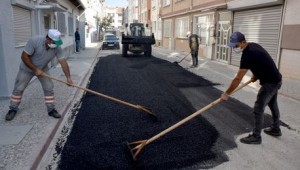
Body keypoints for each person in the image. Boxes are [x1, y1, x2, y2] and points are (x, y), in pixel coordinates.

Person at [220, 32, 282, 144]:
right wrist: (256, 75)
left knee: (258, 108)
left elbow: (238, 79)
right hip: (276, 79)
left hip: (270, 83)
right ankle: (276, 129)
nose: (235, 48)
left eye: (236, 45)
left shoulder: (247, 55)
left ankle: (256, 136)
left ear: (243, 42)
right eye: (233, 46)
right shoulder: (254, 46)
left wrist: (226, 93)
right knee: (273, 105)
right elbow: (262, 62)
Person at [5, 29, 73, 121]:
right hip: (27, 68)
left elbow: (63, 62)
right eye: (55, 42)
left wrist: (68, 77)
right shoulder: (34, 41)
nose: (56, 45)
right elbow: (24, 56)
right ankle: (12, 109)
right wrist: (35, 69)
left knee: (49, 88)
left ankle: (51, 109)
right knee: (18, 88)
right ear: (48, 39)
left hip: (43, 69)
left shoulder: (57, 47)